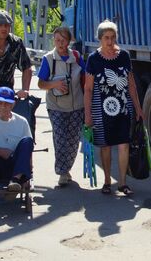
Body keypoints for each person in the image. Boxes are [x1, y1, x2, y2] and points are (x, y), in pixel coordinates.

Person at [84, 20, 143, 196]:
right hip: (100, 110)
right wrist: (88, 114)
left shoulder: (124, 56)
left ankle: (123, 183)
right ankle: (107, 181)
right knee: (106, 146)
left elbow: (131, 84)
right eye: (106, 38)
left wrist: (138, 108)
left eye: (113, 37)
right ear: (100, 39)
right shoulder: (93, 59)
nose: (110, 41)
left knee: (124, 144)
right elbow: (88, 89)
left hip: (123, 108)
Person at [37, 27, 85, 186]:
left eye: (63, 40)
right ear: (53, 40)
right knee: (60, 138)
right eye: (57, 40)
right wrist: (54, 84)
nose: (60, 43)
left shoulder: (77, 57)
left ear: (69, 41)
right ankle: (62, 173)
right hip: (55, 106)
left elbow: (87, 77)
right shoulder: (48, 59)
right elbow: (41, 83)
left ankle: (66, 168)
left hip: (77, 105)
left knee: (73, 141)